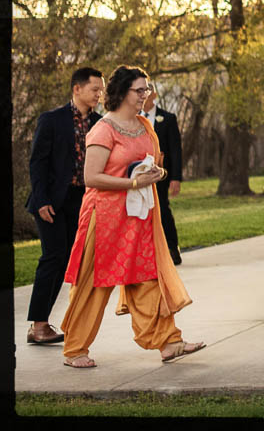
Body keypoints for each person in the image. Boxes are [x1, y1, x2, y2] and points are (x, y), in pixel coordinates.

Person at [60, 66, 203, 368]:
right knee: (95, 284)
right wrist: (134, 183)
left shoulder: (143, 126)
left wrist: (157, 173)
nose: (146, 95)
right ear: (123, 92)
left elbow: (154, 163)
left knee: (147, 278)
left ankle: (170, 342)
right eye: (140, 90)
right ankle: (75, 349)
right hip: (105, 218)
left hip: (138, 216)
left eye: (147, 89)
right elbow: (91, 177)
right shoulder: (104, 129)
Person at [25, 67, 103, 346]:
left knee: (72, 263)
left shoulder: (101, 123)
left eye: (101, 89)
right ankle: (39, 325)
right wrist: (42, 199)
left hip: (83, 201)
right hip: (52, 202)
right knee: (53, 257)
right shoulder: (52, 120)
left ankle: (57, 324)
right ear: (77, 89)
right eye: (95, 89)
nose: (99, 94)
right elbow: (37, 163)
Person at [141, 87, 184, 265]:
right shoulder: (134, 118)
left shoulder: (167, 118)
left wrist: (176, 177)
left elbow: (175, 150)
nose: (144, 96)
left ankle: (172, 248)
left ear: (154, 95)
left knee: (162, 209)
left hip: (161, 174)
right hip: (138, 173)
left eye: (147, 92)